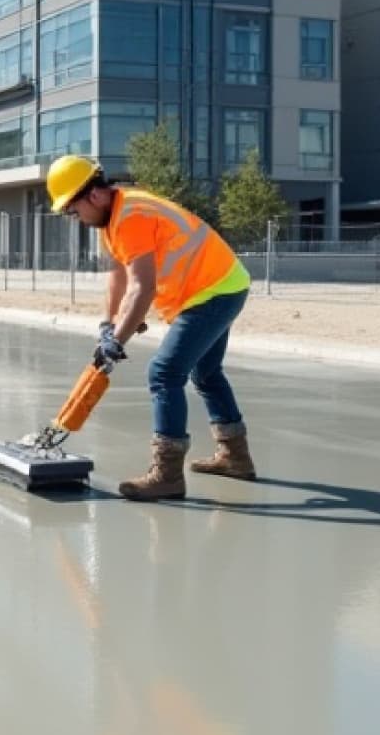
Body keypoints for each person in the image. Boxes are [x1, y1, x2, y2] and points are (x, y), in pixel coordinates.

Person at [47, 155, 256, 501]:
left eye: (73, 210)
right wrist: (108, 326)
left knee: (164, 372)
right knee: (206, 374)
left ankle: (167, 475)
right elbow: (118, 276)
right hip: (220, 284)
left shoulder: (131, 216)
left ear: (94, 196)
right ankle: (235, 457)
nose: (76, 218)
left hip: (213, 290)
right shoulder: (112, 220)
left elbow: (141, 288)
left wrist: (117, 341)